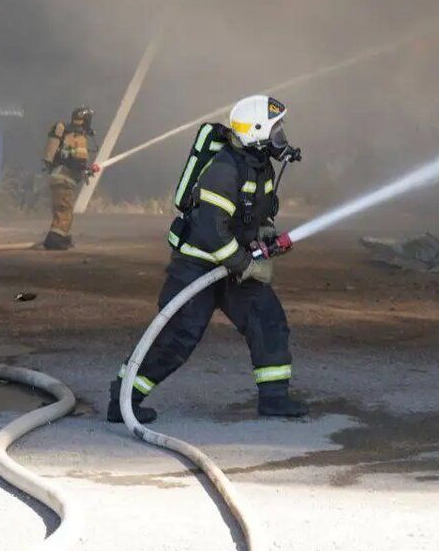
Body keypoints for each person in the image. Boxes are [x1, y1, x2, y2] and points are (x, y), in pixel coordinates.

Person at [108, 94, 307, 422]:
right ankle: (122, 401)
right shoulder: (224, 169)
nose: (281, 136)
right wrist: (246, 265)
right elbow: (211, 232)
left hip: (233, 263)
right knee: (177, 336)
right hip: (197, 266)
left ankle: (274, 398)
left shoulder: (261, 166)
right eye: (275, 130)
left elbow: (255, 213)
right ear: (256, 131)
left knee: (267, 320)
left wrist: (266, 237)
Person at [41, 106, 98, 251]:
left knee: (61, 210)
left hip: (57, 178)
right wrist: (87, 170)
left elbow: (69, 160)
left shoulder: (67, 133)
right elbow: (79, 162)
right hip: (64, 180)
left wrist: (85, 170)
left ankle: (62, 238)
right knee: (64, 212)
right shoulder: (78, 136)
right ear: (85, 120)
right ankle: (54, 240)